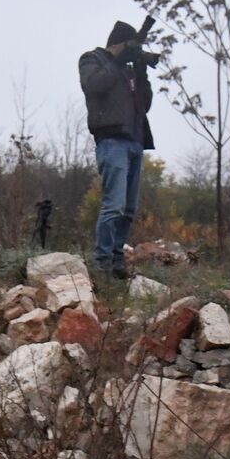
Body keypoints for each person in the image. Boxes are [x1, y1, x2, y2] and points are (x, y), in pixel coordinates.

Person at [78, 20, 156, 279]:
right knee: (114, 205)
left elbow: (144, 104)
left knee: (129, 209)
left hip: (135, 140)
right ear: (119, 44)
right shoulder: (92, 60)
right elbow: (94, 85)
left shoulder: (129, 70)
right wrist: (120, 61)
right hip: (112, 140)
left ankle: (117, 261)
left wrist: (141, 70)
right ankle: (102, 263)